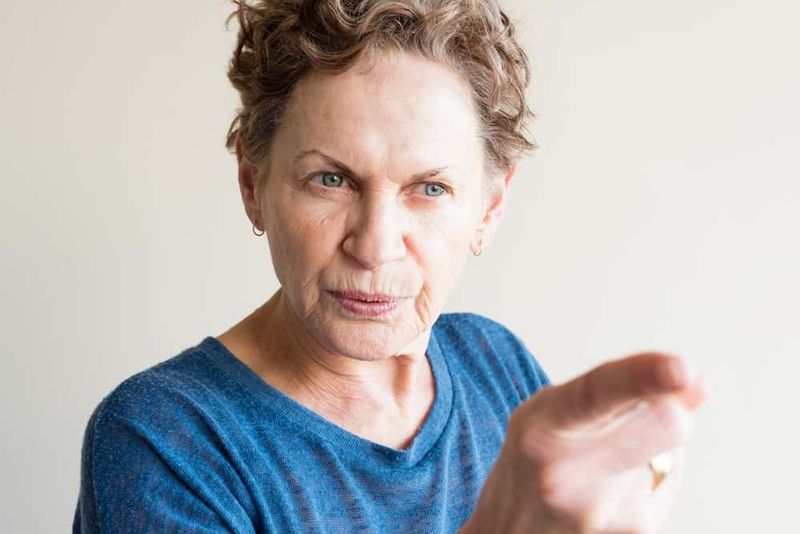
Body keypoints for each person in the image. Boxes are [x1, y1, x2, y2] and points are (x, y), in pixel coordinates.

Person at [73, 1, 708, 532]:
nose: (375, 247)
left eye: (430, 188)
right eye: (330, 179)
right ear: (251, 182)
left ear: (490, 207)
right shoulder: (166, 439)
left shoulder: (496, 364)